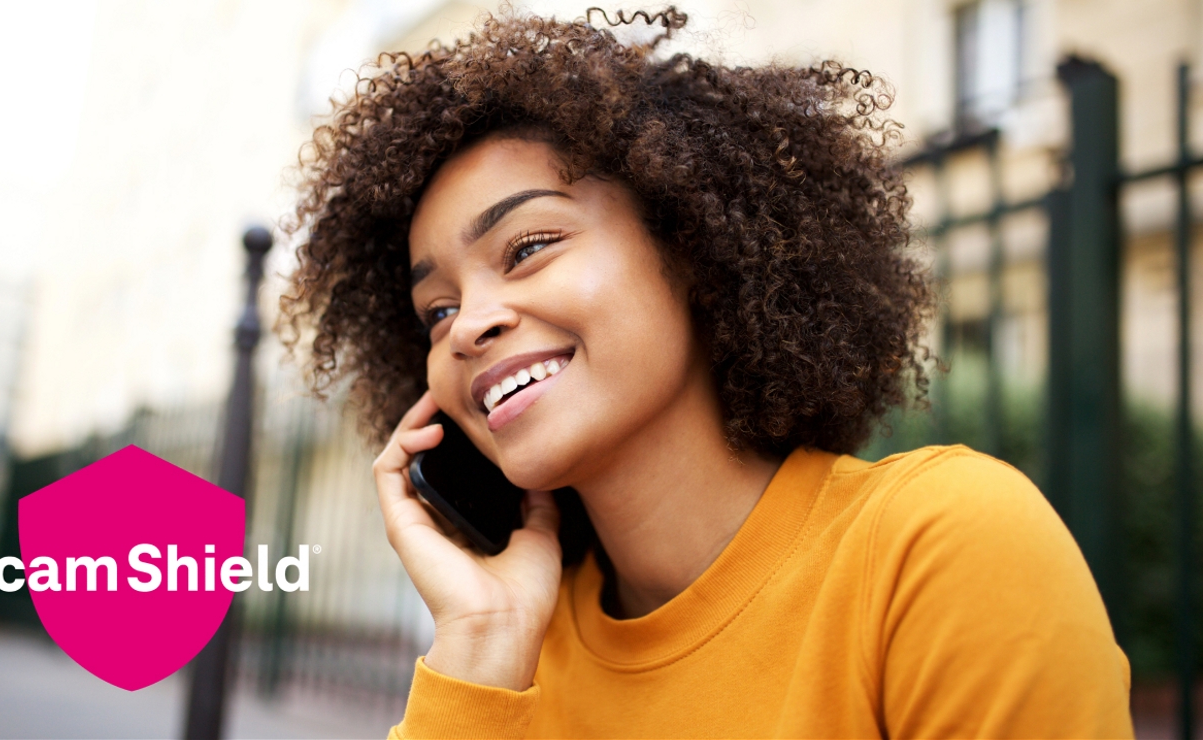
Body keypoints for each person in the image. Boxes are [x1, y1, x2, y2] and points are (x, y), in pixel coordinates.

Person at [277, 7, 1133, 738]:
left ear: (693, 249)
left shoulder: (938, 548)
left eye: (529, 247)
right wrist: (482, 642)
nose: (468, 324)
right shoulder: (507, 660)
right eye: (436, 310)